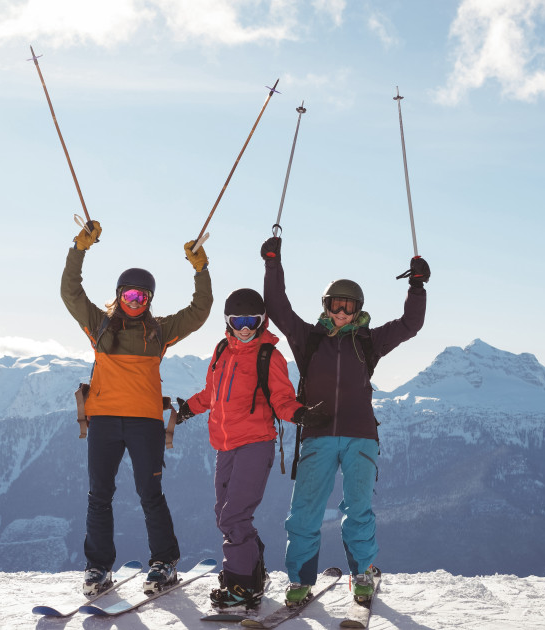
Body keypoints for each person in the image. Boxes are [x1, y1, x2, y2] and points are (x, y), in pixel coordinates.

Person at [259, 235, 428, 605]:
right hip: (317, 435)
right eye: (336, 304)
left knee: (358, 509)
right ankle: (300, 580)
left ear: (358, 309)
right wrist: (273, 263)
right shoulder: (308, 339)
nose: (342, 311)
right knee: (304, 511)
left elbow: (410, 325)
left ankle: (362, 574)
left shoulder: (368, 341)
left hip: (360, 437)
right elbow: (277, 305)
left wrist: (416, 287)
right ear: (326, 306)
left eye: (349, 306)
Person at [61, 219, 213, 596]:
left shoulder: (159, 332)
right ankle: (98, 567)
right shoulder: (98, 325)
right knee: (100, 495)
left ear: (150, 301)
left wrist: (201, 269)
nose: (135, 303)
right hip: (105, 421)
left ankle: (164, 562)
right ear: (118, 295)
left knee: (150, 494)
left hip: (145, 423)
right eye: (129, 296)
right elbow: (71, 292)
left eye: (142, 298)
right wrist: (79, 248)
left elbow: (200, 310)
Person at [174, 288, 331, 611]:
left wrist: (300, 414)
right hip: (224, 445)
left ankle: (241, 583)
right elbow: (212, 392)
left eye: (251, 321)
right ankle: (252, 571)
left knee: (235, 514)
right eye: (238, 321)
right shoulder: (221, 351)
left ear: (262, 321)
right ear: (228, 322)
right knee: (224, 514)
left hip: (255, 444)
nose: (245, 328)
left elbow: (282, 398)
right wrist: (189, 408)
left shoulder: (268, 356)